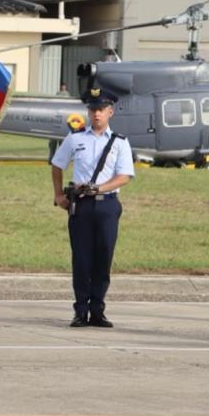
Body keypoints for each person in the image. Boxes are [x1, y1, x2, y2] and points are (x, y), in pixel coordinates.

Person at [50, 87, 135, 328]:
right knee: (82, 259)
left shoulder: (120, 142)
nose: (96, 114)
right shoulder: (75, 138)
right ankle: (80, 310)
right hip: (81, 206)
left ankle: (98, 309)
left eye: (101, 110)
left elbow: (125, 176)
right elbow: (57, 165)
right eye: (92, 109)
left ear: (110, 112)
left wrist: (100, 188)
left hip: (107, 205)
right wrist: (58, 194)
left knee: (103, 257)